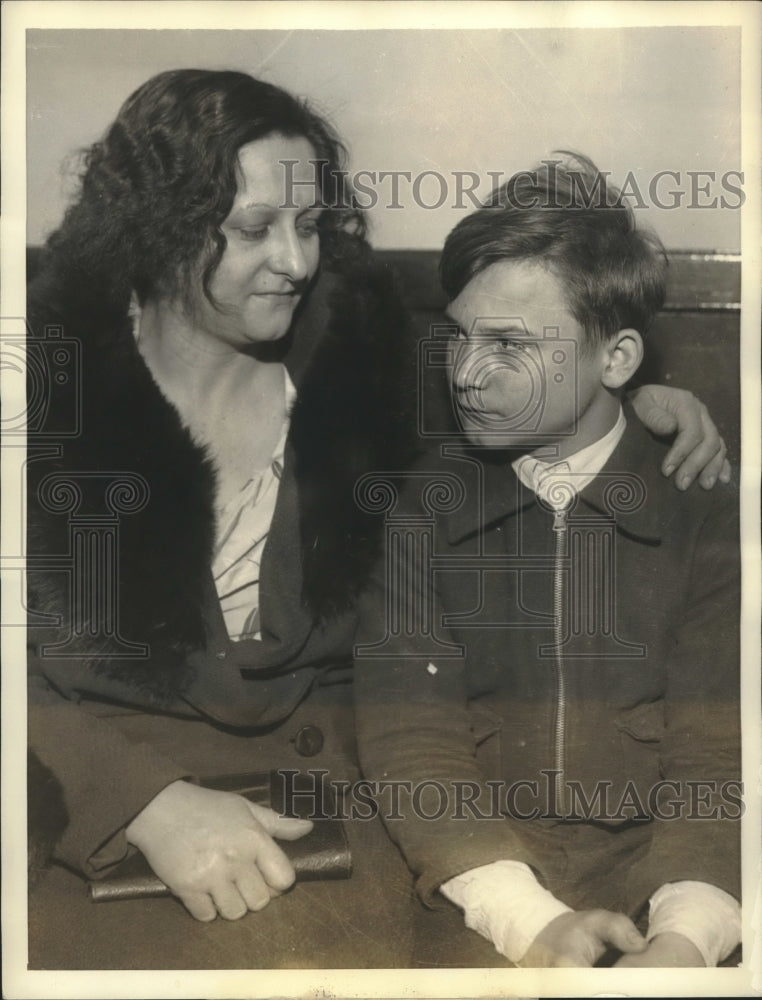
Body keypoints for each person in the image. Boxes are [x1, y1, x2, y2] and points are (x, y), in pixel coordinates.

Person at [26, 68, 729, 970]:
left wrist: (657, 405)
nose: (296, 261)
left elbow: (551, 385)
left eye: (310, 224)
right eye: (255, 229)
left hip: (334, 825)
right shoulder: (41, 390)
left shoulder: (372, 361)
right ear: (154, 227)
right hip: (94, 802)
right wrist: (139, 801)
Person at [353, 154, 741, 969]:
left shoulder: (707, 512)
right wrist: (526, 919)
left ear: (618, 360)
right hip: (476, 880)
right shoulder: (422, 507)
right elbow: (413, 742)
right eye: (459, 336)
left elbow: (718, 755)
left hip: (678, 877)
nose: (465, 373)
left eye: (508, 344)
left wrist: (689, 937)